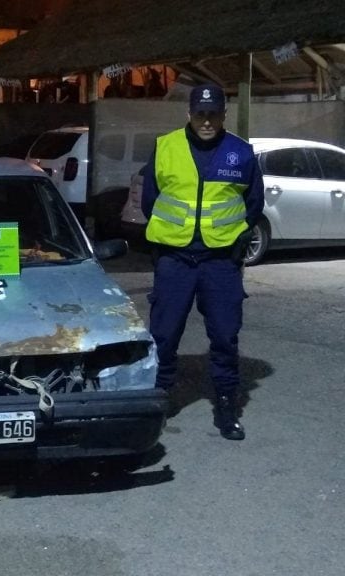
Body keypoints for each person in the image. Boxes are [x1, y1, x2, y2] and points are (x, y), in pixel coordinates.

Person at [141, 84, 265, 440]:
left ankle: (227, 406)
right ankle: (160, 401)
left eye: (214, 114)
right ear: (189, 114)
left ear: (224, 114)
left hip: (220, 262)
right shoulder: (166, 147)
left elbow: (252, 204)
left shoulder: (241, 153)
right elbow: (152, 200)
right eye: (200, 114)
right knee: (164, 335)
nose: (207, 121)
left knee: (225, 335)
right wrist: (170, 239)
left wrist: (237, 241)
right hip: (175, 259)